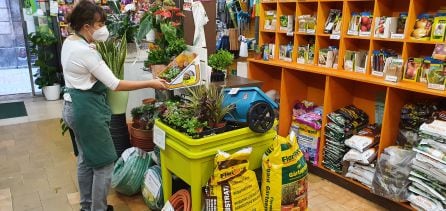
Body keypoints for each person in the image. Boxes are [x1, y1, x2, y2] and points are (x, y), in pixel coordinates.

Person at [61, 1, 167, 211]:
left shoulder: (71, 42)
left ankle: (86, 206)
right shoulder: (86, 53)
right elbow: (115, 84)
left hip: (72, 107)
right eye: (99, 24)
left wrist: (90, 48)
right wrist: (150, 82)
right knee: (104, 163)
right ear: (86, 26)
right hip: (86, 112)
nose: (103, 29)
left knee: (85, 159)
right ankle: (98, 208)